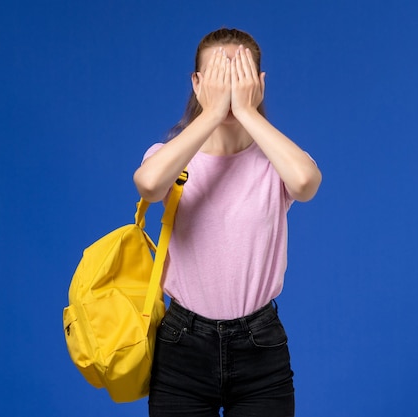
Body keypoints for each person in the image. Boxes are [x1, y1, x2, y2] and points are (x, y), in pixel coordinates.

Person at [133, 28, 322, 417]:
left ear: (259, 84)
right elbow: (150, 186)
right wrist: (214, 113)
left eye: (241, 76)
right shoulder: (170, 157)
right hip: (182, 344)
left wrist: (247, 112)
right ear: (197, 83)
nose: (231, 87)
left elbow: (304, 183)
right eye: (220, 75)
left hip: (260, 346)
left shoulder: (275, 161)